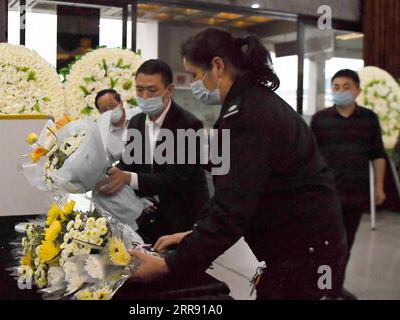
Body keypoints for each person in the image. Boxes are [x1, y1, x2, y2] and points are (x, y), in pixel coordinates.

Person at [128, 28, 348, 300]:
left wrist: (167, 265)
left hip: (304, 250)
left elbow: (232, 210)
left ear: (217, 66)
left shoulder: (248, 116)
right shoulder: (247, 104)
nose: (196, 84)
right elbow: (232, 195)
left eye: (196, 75)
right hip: (294, 242)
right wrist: (194, 234)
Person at [97, 59, 209, 244]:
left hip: (182, 221)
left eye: (152, 90)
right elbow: (128, 163)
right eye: (139, 89)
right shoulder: (136, 123)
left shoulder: (188, 125)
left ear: (169, 90)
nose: (145, 96)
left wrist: (127, 177)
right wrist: (106, 171)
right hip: (146, 219)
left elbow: (175, 178)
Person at [311, 69, 387, 300]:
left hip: (356, 194)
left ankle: (335, 289)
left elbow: (378, 154)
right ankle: (321, 288)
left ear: (357, 90)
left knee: (346, 245)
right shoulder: (320, 119)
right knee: (325, 245)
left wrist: (379, 186)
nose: (340, 91)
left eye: (346, 87)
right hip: (326, 196)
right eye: (336, 87)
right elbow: (309, 157)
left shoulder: (369, 118)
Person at [95, 89, 141, 166]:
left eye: (112, 106)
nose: (110, 111)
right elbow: (107, 165)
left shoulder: (141, 114)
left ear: (121, 103)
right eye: (104, 110)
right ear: (100, 113)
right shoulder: (103, 134)